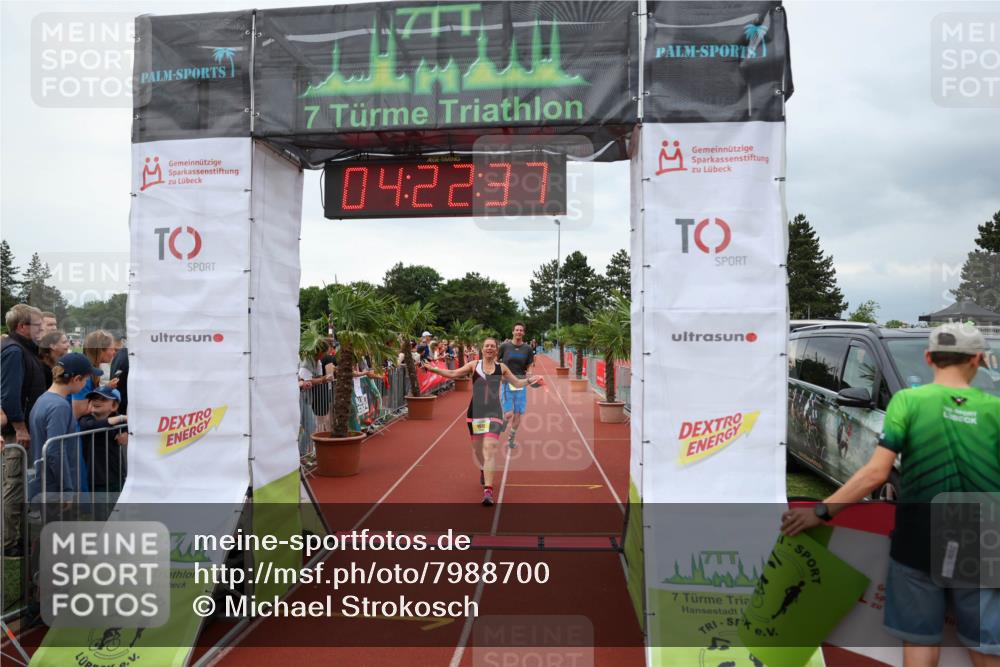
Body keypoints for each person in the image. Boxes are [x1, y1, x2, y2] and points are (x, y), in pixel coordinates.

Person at [781, 323, 1000, 667]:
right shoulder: (995, 410)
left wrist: (820, 512)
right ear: (977, 360)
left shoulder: (908, 402)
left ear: (929, 358)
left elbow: (876, 473)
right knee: (986, 648)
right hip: (979, 534)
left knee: (920, 643)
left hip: (918, 534)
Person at [423, 338, 541, 506]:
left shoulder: (502, 368)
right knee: (479, 453)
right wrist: (433, 369)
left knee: (489, 449)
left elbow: (517, 382)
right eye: (487, 346)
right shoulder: (474, 365)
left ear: (496, 349)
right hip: (475, 412)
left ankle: (488, 491)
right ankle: (484, 469)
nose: (490, 348)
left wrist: (530, 380)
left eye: (493, 346)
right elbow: (453, 373)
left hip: (493, 412)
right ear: (482, 348)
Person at [1, 304, 46, 556]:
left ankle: (16, 538)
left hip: (24, 429)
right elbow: (8, 395)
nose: (42, 330)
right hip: (17, 434)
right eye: (37, 326)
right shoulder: (14, 351)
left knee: (20, 484)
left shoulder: (23, 349)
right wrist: (20, 428)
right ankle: (9, 544)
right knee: (15, 485)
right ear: (21, 327)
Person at [29, 353, 100, 501]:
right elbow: (55, 451)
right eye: (86, 379)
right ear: (76, 379)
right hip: (55, 487)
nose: (85, 383)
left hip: (47, 482)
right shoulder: (60, 407)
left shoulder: (43, 399)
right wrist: (66, 490)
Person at [79, 386, 127, 494]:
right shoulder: (85, 419)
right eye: (94, 398)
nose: (97, 401)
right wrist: (121, 418)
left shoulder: (119, 421)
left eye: (103, 399)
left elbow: (131, 426)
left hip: (116, 475)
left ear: (114, 406)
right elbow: (93, 426)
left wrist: (125, 432)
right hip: (95, 478)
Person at [498, 323, 535, 449]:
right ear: (513, 332)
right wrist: (499, 374)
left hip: (521, 383)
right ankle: (503, 423)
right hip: (507, 382)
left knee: (518, 414)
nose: (519, 332)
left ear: (523, 333)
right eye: (517, 330)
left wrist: (530, 373)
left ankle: (511, 438)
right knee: (509, 414)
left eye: (521, 330)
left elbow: (530, 364)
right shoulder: (505, 346)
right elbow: (497, 361)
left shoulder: (527, 348)